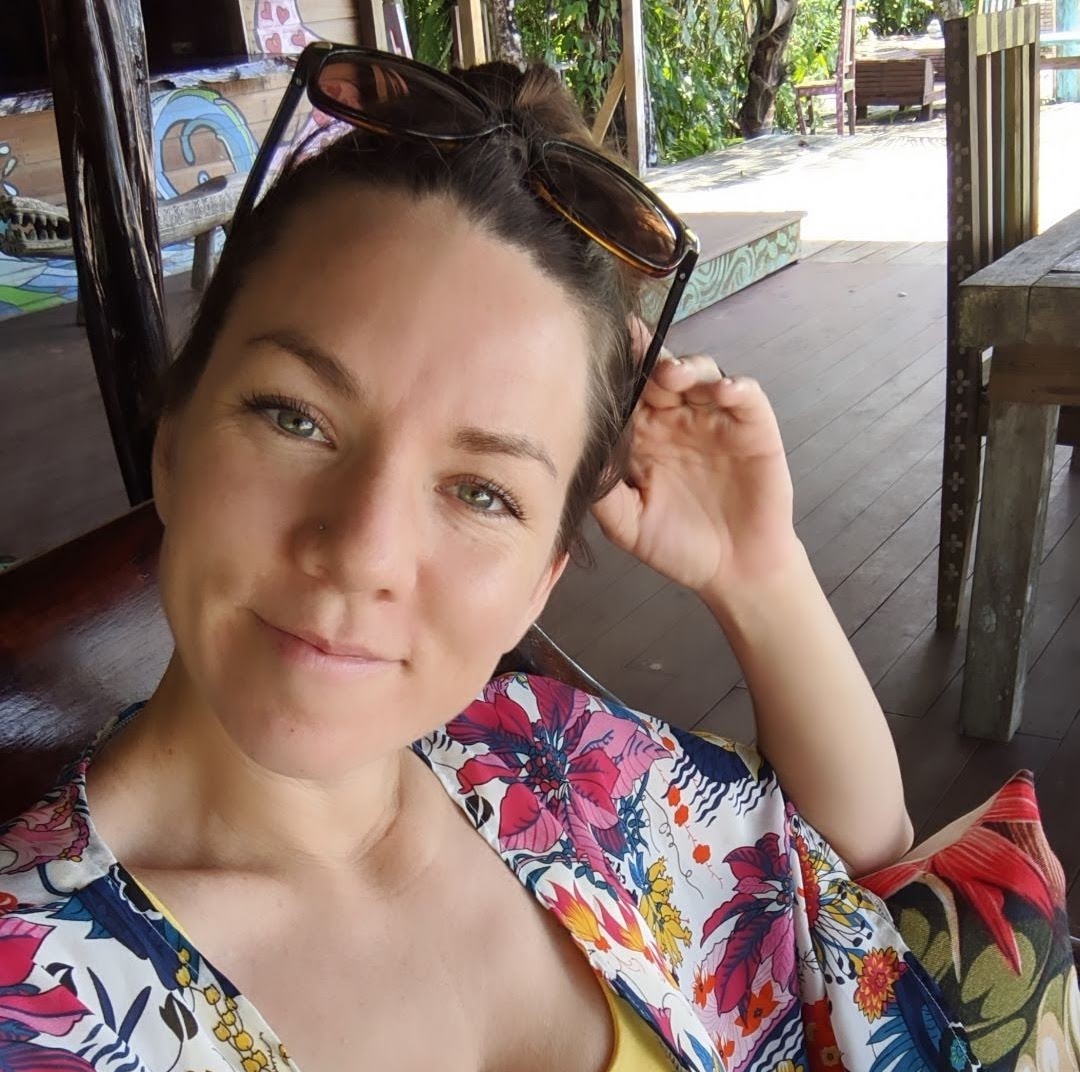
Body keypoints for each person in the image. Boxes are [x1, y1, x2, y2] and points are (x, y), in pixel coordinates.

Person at [0, 50, 1073, 1072]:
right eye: (296, 416)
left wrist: (759, 576)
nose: (363, 551)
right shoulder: (33, 998)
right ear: (174, 441)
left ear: (539, 580)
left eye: (482, 491)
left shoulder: (548, 770)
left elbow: (852, 885)